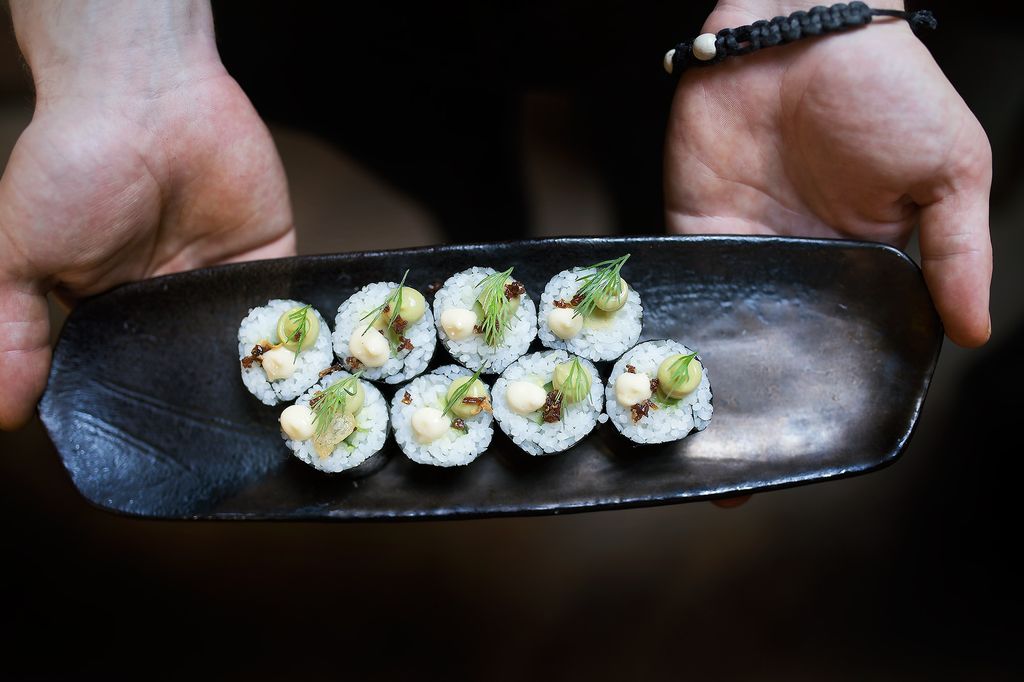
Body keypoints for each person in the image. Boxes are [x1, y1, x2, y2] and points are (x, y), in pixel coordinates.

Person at [0, 0, 991, 431]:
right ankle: (471, 224)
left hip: (670, 20)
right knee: (423, 145)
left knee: (657, 167)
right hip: (328, 13)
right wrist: (120, 61)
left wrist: (807, 5)